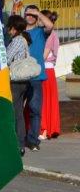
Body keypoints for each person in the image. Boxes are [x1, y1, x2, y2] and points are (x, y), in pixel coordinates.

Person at [22, 5, 53, 151]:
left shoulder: (41, 32)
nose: (30, 16)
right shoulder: (18, 32)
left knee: (35, 109)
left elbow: (50, 25)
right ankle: (18, 138)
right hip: (19, 77)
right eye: (28, 13)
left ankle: (32, 140)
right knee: (15, 109)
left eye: (33, 15)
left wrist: (38, 13)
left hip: (36, 77)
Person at [6, 15, 33, 157]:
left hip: (15, 82)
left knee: (15, 113)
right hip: (22, 82)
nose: (8, 30)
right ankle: (19, 143)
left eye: (9, 27)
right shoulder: (23, 39)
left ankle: (18, 144)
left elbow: (6, 59)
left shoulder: (17, 41)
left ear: (14, 29)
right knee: (18, 113)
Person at [40, 9, 61, 141]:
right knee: (48, 100)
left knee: (44, 101)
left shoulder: (50, 35)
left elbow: (44, 56)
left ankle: (45, 129)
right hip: (49, 70)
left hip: (46, 70)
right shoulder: (53, 35)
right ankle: (49, 128)